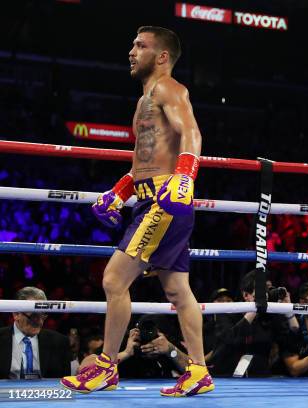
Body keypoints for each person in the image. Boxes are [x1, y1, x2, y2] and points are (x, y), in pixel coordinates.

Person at [61, 26, 212, 397]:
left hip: (164, 201)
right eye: (132, 44)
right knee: (177, 289)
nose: (131, 51)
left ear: (161, 56)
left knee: (114, 280)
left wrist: (185, 177)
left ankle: (106, 368)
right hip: (151, 197)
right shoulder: (145, 99)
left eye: (140, 46)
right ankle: (199, 372)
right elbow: (144, 162)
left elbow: (193, 134)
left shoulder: (169, 89)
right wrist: (118, 192)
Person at [206, 270, 296, 377]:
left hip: (261, 380)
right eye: (262, 290)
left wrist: (288, 311)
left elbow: (290, 344)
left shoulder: (270, 316)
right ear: (246, 295)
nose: (266, 293)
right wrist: (254, 308)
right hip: (226, 379)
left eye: (268, 289)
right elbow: (228, 343)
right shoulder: (226, 313)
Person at [0, 287, 72, 379]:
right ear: (16, 314)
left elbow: (65, 384)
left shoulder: (60, 342)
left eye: (42, 315)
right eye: (34, 316)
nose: (40, 322)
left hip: (46, 392)